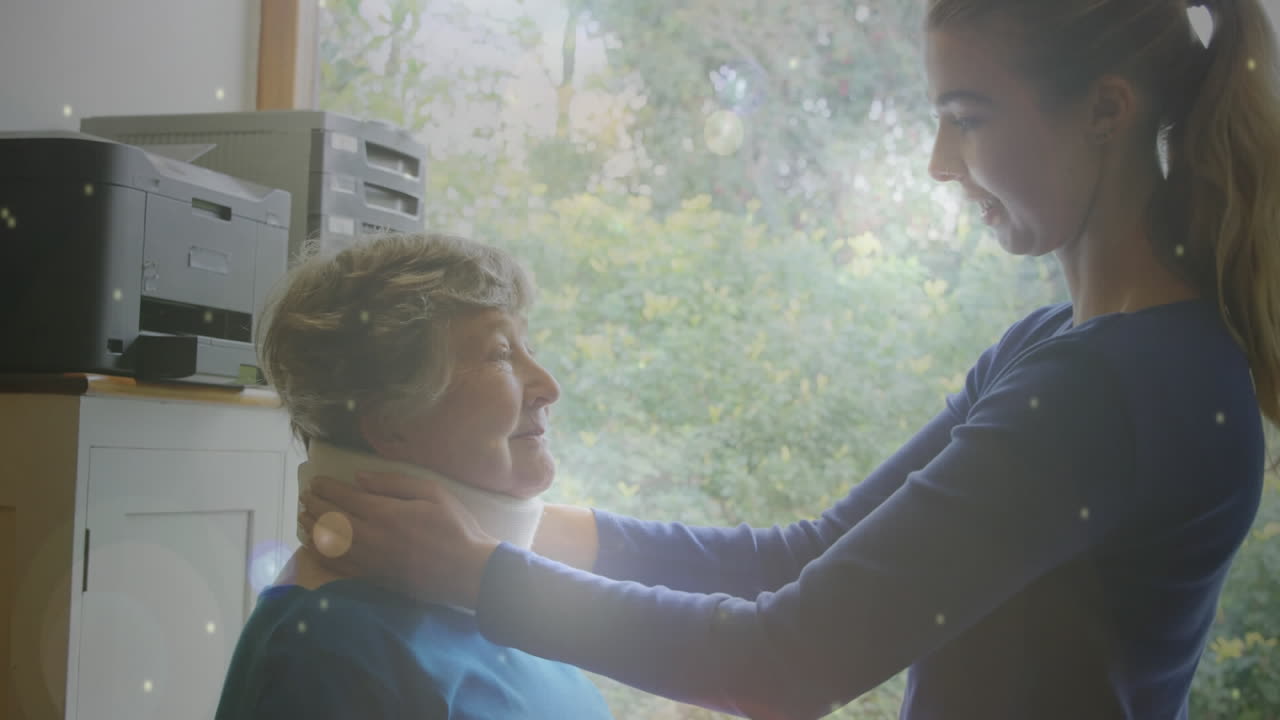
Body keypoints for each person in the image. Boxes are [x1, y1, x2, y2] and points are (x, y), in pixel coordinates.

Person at [299, 1, 1280, 718]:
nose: (940, 160)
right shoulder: (1056, 348)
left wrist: (477, 571)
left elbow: (782, 662)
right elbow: (800, 557)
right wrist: (502, 523)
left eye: (968, 117)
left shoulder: (1111, 388)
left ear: (1105, 111)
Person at [214, 232, 614, 719]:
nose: (549, 386)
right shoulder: (330, 652)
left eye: (526, 346)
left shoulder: (488, 598)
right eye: (501, 354)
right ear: (392, 422)